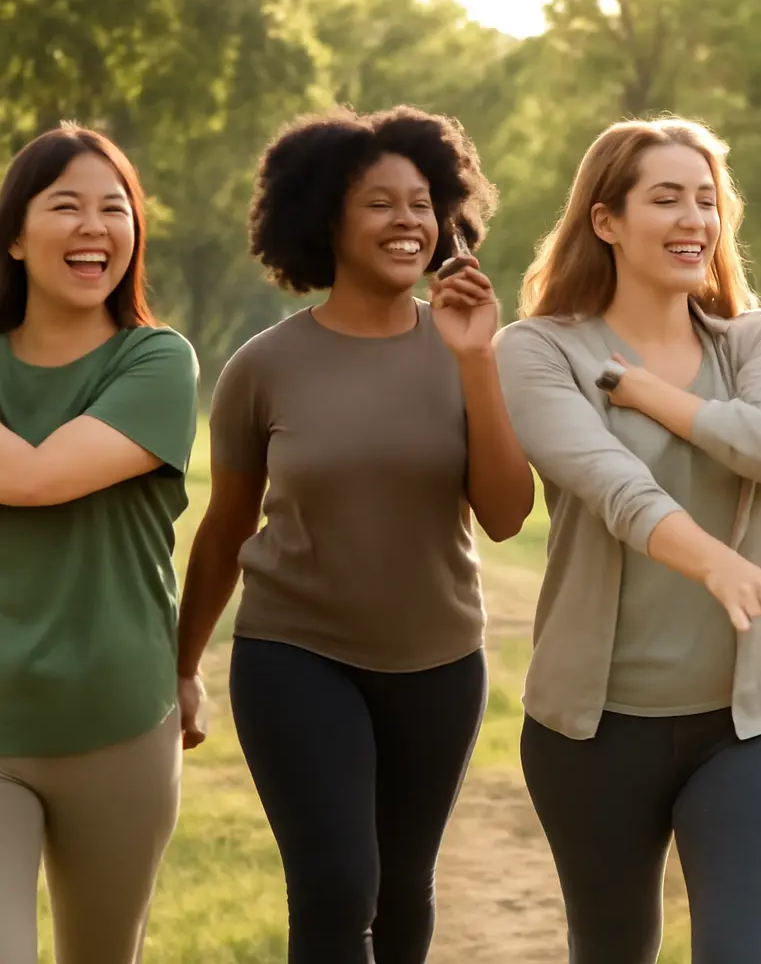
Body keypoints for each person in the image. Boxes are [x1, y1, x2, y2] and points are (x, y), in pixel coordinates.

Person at [175, 105, 534, 963]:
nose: (407, 221)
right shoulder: (263, 366)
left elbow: (508, 514)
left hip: (440, 661)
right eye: (380, 202)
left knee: (404, 895)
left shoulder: (473, 351)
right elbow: (225, 529)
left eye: (421, 203)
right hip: (295, 653)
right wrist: (183, 664)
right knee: (338, 890)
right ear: (324, 217)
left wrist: (478, 360)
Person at [493, 118, 761, 964]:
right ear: (606, 220)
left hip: (757, 725)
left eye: (707, 201)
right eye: (666, 198)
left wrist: (647, 393)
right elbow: (612, 485)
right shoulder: (538, 350)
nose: (694, 220)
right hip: (595, 732)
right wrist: (717, 562)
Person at [0, 125, 199, 963]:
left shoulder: (155, 361)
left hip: (118, 722)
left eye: (114, 209)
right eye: (66, 206)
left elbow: (40, 476)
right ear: (14, 236)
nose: (95, 227)